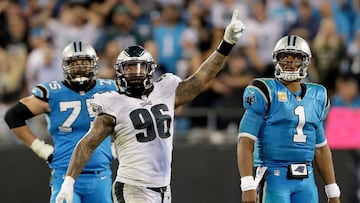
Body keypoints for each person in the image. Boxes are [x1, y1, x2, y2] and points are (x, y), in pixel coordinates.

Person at [55, 9, 245, 203]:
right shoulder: (112, 103)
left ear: (150, 70)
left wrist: (226, 44)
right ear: (119, 72)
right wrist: (68, 182)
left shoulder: (166, 89)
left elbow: (202, 77)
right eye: (129, 68)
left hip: (163, 187)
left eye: (140, 67)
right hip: (132, 186)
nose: (135, 73)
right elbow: (87, 144)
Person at [4, 41, 117, 203]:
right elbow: (13, 116)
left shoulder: (110, 89)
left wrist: (118, 145)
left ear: (94, 63)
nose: (79, 67)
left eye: (84, 62)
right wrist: (41, 149)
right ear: (65, 65)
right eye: (74, 63)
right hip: (64, 174)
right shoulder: (54, 93)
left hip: (101, 175)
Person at [237, 35, 341, 203]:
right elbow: (245, 140)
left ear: (306, 61)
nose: (289, 61)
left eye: (296, 57)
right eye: (284, 56)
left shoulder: (318, 95)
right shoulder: (264, 91)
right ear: (276, 60)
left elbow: (321, 148)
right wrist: (247, 185)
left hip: (306, 179)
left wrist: (332, 189)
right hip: (273, 175)